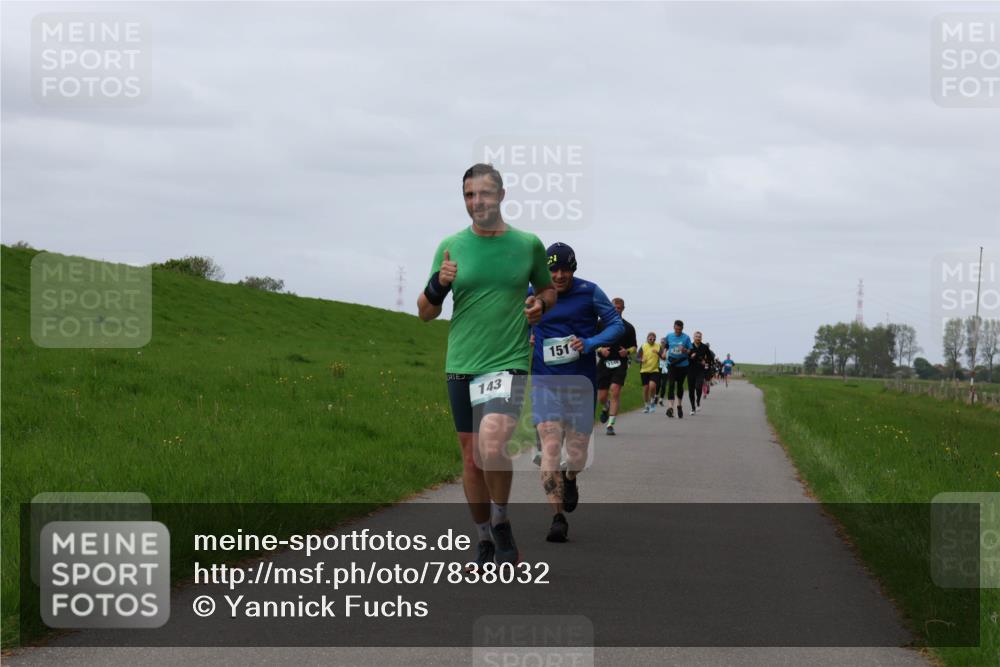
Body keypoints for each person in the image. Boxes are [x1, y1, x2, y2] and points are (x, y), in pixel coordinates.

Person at [418, 163, 556, 569]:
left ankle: (500, 518)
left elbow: (547, 289)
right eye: (468, 195)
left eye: (484, 194)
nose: (476, 202)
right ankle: (482, 538)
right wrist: (438, 284)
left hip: (508, 359)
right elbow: (425, 312)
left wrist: (540, 304)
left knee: (492, 444)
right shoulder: (451, 246)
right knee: (471, 456)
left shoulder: (527, 244)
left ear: (501, 195)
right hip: (462, 362)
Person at [529, 243, 623, 542]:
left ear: (574, 269)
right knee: (551, 447)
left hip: (581, 384)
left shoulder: (590, 291)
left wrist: (592, 342)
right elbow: (510, 319)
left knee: (577, 454)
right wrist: (526, 335)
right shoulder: (531, 291)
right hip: (545, 383)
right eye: (553, 269)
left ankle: (571, 478)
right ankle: (557, 518)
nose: (559, 275)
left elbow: (615, 324)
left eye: (565, 270)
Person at [596, 298, 637, 436]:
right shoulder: (601, 324)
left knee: (615, 391)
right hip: (604, 363)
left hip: (620, 363)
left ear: (623, 309)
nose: (616, 310)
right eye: (614, 307)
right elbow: (593, 342)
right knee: (601, 396)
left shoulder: (629, 327)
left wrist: (627, 352)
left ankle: (610, 425)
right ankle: (606, 406)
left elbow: (634, 347)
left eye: (619, 308)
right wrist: (601, 350)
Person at [663, 320, 692, 419]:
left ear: (682, 329)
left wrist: (685, 350)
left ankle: (679, 405)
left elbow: (690, 351)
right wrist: (664, 351)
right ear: (673, 327)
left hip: (683, 365)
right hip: (672, 364)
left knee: (679, 386)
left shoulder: (686, 338)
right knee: (671, 384)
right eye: (676, 329)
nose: (678, 331)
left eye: (679, 329)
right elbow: (666, 346)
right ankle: (671, 407)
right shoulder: (669, 336)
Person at [638, 332, 664, 413]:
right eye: (650, 338)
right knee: (645, 389)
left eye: (654, 338)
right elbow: (637, 358)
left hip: (654, 370)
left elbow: (664, 357)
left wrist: (658, 352)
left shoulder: (658, 346)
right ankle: (646, 406)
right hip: (644, 370)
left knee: (652, 386)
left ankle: (652, 401)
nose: (652, 340)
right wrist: (641, 360)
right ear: (647, 338)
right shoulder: (643, 346)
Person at [687, 331, 711, 414]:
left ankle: (698, 401)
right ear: (693, 337)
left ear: (701, 338)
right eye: (696, 336)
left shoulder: (704, 347)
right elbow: (685, 357)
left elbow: (710, 358)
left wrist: (705, 361)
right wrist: (690, 357)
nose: (698, 338)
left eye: (699, 337)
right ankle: (693, 408)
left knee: (698, 387)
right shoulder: (689, 346)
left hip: (700, 370)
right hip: (690, 370)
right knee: (691, 390)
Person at [656, 337, 669, 405]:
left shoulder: (668, 349)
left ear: (666, 343)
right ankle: (656, 396)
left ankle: (661, 399)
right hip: (659, 367)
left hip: (666, 368)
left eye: (663, 342)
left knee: (664, 385)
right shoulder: (658, 348)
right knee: (658, 384)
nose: (662, 343)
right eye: (661, 342)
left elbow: (664, 358)